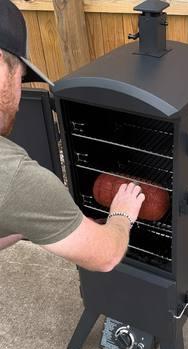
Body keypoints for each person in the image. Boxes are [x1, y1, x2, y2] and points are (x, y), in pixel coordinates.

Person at [0, 0, 145, 271]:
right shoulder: (14, 176)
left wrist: (28, 221)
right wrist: (122, 214)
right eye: (19, 79)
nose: (19, 100)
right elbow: (107, 256)